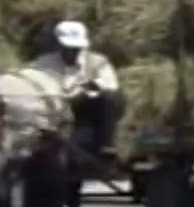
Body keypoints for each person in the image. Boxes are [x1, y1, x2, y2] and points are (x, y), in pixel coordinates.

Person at [31, 20, 125, 159]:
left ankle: (106, 144)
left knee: (110, 98)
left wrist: (91, 87)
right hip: (55, 106)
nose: (72, 52)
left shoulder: (98, 62)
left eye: (76, 48)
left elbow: (110, 85)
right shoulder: (44, 63)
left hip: (85, 109)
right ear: (59, 45)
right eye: (68, 48)